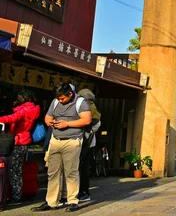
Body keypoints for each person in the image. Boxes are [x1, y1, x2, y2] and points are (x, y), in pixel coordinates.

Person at [32, 83, 91, 213]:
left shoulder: (81, 102)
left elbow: (86, 120)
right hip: (55, 139)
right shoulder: (55, 102)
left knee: (71, 172)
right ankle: (51, 201)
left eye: (63, 98)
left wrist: (67, 124)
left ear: (70, 94)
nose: (60, 101)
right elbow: (47, 117)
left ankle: (73, 201)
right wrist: (50, 122)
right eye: (58, 98)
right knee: (53, 172)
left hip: (72, 140)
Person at [0, 91, 40, 205]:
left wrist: (1, 119)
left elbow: (12, 118)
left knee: (14, 170)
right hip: (24, 140)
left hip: (18, 140)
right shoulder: (32, 108)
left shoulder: (23, 110)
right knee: (17, 169)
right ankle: (17, 194)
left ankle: (16, 196)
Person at [76, 89, 101, 203]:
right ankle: (82, 192)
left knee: (82, 169)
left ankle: (83, 192)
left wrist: (85, 132)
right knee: (82, 168)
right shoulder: (92, 108)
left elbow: (96, 124)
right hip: (85, 143)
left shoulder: (89, 109)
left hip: (84, 143)